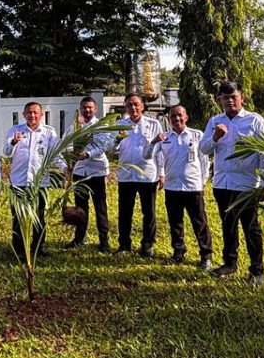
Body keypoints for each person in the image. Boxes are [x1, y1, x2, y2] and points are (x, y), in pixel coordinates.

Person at [199, 81, 264, 286]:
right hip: (222, 183)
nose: (229, 101)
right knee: (228, 225)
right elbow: (203, 149)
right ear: (219, 100)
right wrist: (215, 136)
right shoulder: (215, 121)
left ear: (242, 98)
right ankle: (230, 263)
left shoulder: (254, 121)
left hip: (247, 185)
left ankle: (257, 270)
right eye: (225, 98)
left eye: (233, 97)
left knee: (251, 227)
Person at [144, 105, 212, 270]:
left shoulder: (197, 135)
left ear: (186, 117)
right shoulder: (164, 138)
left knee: (200, 223)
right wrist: (154, 141)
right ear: (168, 119)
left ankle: (206, 255)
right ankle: (178, 252)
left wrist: (202, 183)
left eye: (180, 115)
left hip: (193, 187)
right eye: (173, 116)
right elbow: (146, 155)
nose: (177, 119)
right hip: (172, 187)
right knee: (175, 223)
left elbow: (205, 162)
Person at [3, 102, 59, 258]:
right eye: (29, 112)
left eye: (35, 113)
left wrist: (64, 167)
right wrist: (13, 141)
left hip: (40, 182)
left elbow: (56, 152)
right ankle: (19, 249)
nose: (32, 115)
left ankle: (38, 246)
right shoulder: (16, 130)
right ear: (24, 114)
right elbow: (6, 152)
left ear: (41, 115)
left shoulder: (49, 132)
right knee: (18, 216)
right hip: (19, 181)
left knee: (39, 216)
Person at [113, 93, 164, 257]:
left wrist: (162, 173)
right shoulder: (120, 124)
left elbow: (160, 151)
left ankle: (147, 245)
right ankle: (124, 245)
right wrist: (117, 139)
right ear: (125, 107)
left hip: (147, 175)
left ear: (142, 106)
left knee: (148, 212)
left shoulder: (153, 124)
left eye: (136, 104)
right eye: (129, 105)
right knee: (125, 211)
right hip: (126, 174)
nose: (133, 108)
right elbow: (112, 150)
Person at [65, 96, 113, 252]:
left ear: (95, 109)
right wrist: (69, 161)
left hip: (96, 171)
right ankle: (79, 239)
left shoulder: (101, 126)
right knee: (80, 208)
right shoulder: (75, 126)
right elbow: (66, 143)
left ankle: (104, 242)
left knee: (100, 207)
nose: (87, 110)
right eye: (84, 107)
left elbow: (102, 146)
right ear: (80, 109)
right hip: (79, 171)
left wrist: (87, 154)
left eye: (90, 107)